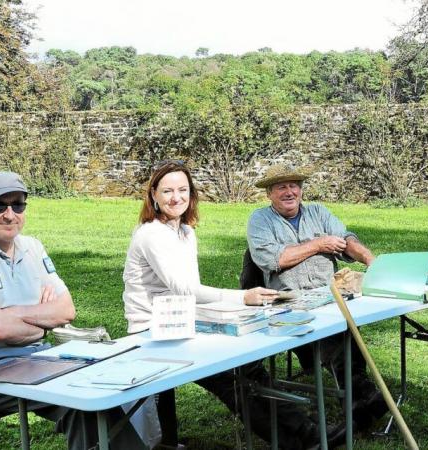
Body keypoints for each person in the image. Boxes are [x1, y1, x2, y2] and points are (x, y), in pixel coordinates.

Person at [122, 160, 343, 450]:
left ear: (191, 194)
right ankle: (305, 436)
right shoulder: (151, 234)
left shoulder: (185, 232)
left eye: (182, 190)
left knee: (247, 368)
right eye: (167, 191)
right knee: (236, 377)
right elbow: (184, 288)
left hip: (181, 322)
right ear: (153, 194)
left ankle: (305, 433)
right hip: (152, 333)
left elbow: (189, 292)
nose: (176, 198)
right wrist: (243, 297)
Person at [0, 171, 152, 450]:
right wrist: (42, 318)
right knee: (83, 396)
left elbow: (66, 310)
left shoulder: (32, 247)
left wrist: (11, 313)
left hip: (38, 357)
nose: (9, 214)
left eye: (18, 205)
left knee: (94, 399)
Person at [246, 164, 387, 431]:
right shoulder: (260, 220)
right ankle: (361, 395)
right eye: (281, 187)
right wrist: (319, 244)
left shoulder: (318, 212)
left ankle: (359, 397)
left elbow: (346, 239)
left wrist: (370, 259)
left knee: (344, 319)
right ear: (269, 194)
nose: (289, 191)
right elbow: (273, 259)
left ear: (301, 189)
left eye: (294, 185)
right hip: (288, 300)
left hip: (330, 294)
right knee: (334, 327)